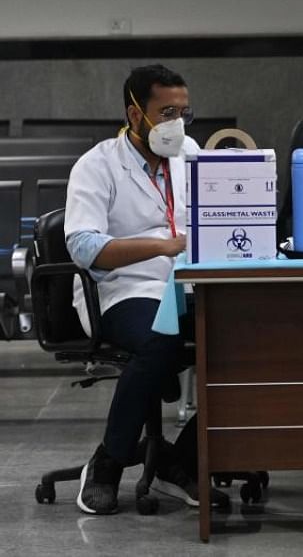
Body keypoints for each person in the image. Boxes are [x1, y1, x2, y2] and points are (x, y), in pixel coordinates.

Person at [64, 65, 205, 514]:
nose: (176, 124)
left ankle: (179, 462)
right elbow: (84, 246)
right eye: (166, 112)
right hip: (124, 289)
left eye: (184, 112)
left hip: (190, 284)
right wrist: (164, 246)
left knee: (248, 347)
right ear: (135, 113)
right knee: (158, 340)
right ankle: (109, 460)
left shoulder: (193, 155)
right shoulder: (98, 164)